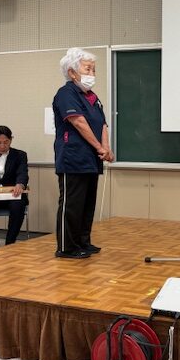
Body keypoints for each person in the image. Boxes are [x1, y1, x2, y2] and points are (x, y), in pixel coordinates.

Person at [53, 48, 114, 259]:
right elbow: (78, 121)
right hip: (73, 158)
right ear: (72, 72)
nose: (92, 74)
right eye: (88, 69)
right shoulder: (66, 93)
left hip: (91, 159)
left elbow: (103, 124)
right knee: (72, 204)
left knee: (87, 204)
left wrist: (106, 148)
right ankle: (66, 247)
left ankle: (83, 242)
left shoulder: (93, 97)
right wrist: (99, 148)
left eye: (94, 69)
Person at [0, 125, 29, 249]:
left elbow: (22, 173)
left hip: (12, 194)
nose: (2, 146)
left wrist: (20, 184)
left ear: (11, 139)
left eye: (6, 142)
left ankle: (10, 243)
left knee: (18, 205)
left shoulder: (20, 155)